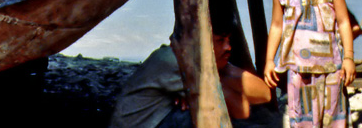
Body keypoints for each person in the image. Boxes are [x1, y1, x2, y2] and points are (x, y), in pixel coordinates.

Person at [264, 0, 355, 128]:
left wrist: (349, 57)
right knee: (301, 118)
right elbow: (276, 27)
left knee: (333, 118)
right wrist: (270, 60)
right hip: (297, 70)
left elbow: (343, 23)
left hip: (332, 68)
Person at [109, 15, 271, 128]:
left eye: (228, 40)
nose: (228, 47)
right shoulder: (173, 60)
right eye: (220, 40)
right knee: (205, 113)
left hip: (157, 120)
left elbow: (265, 94)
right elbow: (240, 108)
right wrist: (211, 83)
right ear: (201, 39)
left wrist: (219, 71)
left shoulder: (200, 62)